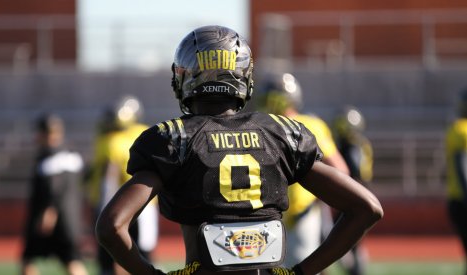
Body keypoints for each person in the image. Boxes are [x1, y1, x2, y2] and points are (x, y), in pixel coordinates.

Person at [96, 25, 383, 275]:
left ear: (184, 78)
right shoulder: (282, 133)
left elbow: (110, 226)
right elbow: (367, 208)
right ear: (244, 78)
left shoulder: (174, 138)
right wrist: (302, 272)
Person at [257, 72, 350, 270]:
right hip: (273, 216)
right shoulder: (264, 127)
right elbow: (341, 170)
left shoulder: (305, 124)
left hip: (296, 215)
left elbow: (340, 169)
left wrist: (315, 200)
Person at [87, 96, 158, 275]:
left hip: (118, 202)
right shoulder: (146, 133)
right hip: (146, 200)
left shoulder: (109, 141)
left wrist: (102, 206)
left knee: (113, 251)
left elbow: (107, 178)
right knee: (142, 251)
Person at [21, 113, 88, 275]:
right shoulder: (73, 155)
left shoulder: (48, 157)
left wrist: (49, 212)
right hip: (71, 218)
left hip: (50, 219)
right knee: (72, 260)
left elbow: (53, 188)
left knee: (28, 259)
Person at [332, 106, 374, 275]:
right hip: (360, 194)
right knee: (351, 239)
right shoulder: (362, 144)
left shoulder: (354, 147)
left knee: (344, 238)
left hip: (353, 196)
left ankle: (355, 269)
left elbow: (356, 172)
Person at [445, 88, 467, 275]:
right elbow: (462, 166)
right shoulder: (461, 129)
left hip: (457, 199)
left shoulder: (457, 128)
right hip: (462, 199)